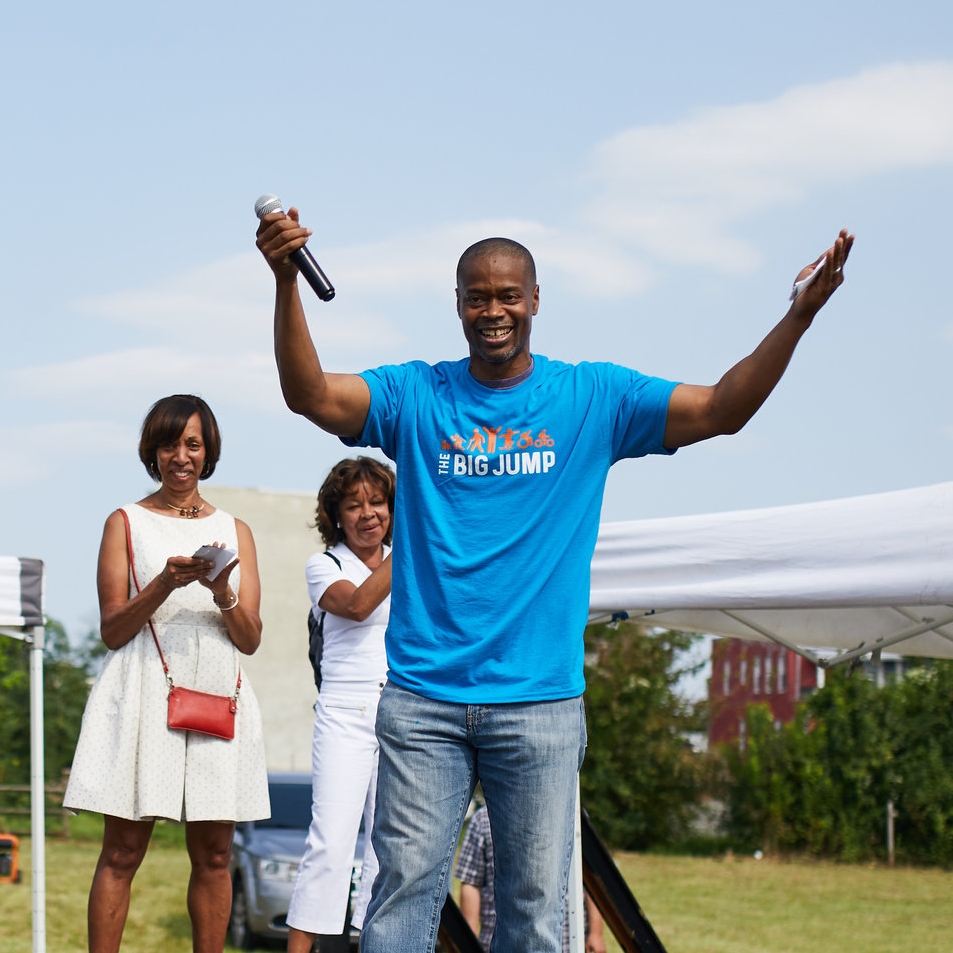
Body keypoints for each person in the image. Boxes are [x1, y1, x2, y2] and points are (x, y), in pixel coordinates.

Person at [256, 207, 853, 953]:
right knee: (400, 899)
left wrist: (796, 317)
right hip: (421, 700)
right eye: (477, 296)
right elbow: (310, 394)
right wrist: (286, 281)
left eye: (508, 295)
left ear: (535, 299)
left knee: (537, 914)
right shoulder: (417, 395)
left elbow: (721, 408)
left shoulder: (593, 398)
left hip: (538, 703)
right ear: (458, 304)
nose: (493, 310)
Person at [64, 394, 270, 953]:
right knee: (124, 851)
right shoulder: (124, 521)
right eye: (170, 444)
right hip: (143, 690)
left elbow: (250, 638)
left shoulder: (236, 529)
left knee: (215, 855)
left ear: (209, 452)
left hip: (216, 688)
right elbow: (112, 630)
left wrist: (221, 590)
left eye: (193, 444)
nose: (181, 456)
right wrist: (164, 583)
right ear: (152, 451)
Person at [285, 456, 394, 953]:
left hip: (402, 711)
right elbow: (356, 604)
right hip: (345, 712)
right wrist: (414, 543)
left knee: (388, 848)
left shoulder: (406, 555)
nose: (368, 513)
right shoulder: (325, 564)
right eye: (354, 505)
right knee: (330, 842)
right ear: (335, 515)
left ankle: (369, 943)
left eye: (378, 502)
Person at [455, 804, 606, 953]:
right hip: (498, 939)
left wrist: (596, 933)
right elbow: (471, 881)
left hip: (565, 941)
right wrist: (471, 934)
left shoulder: (570, 812)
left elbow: (591, 880)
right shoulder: (482, 819)